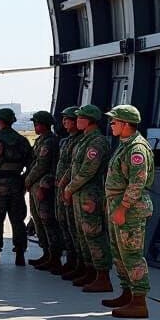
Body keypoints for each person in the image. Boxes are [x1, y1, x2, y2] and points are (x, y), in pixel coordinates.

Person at [103, 105, 155, 319]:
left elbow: (137, 182)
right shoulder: (124, 145)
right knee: (119, 254)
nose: (111, 125)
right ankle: (127, 293)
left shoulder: (136, 149)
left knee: (132, 255)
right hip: (118, 205)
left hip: (130, 209)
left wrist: (123, 208)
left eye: (114, 121)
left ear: (125, 124)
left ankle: (139, 301)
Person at [63, 104, 113, 293]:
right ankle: (90, 270)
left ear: (89, 120)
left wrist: (69, 188)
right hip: (80, 193)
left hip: (90, 194)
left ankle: (103, 276)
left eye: (80, 118)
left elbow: (87, 170)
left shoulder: (96, 142)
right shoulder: (85, 140)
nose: (77, 121)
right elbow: (74, 166)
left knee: (94, 234)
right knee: (82, 234)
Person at [0, 107, 34, 266]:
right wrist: (22, 178)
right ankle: (20, 256)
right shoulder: (22, 141)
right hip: (16, 184)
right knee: (18, 220)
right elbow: (31, 163)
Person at [26, 111, 61, 272]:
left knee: (47, 221)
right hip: (36, 185)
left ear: (44, 124)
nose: (35, 126)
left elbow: (41, 165)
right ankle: (46, 253)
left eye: (37, 123)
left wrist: (27, 181)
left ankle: (54, 256)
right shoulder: (41, 140)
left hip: (43, 186)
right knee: (38, 220)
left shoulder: (49, 142)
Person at [53, 107, 83, 279]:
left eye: (68, 119)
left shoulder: (80, 142)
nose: (65, 122)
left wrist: (66, 185)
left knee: (74, 229)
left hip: (71, 190)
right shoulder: (67, 141)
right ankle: (70, 262)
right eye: (63, 119)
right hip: (62, 188)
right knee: (64, 226)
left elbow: (75, 168)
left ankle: (78, 263)